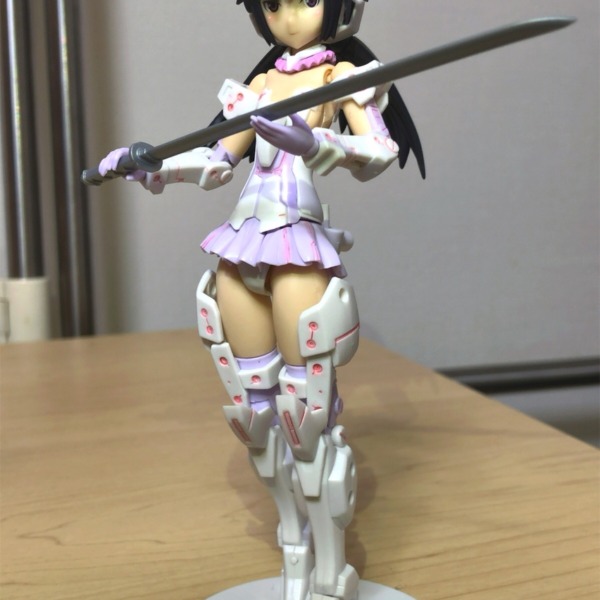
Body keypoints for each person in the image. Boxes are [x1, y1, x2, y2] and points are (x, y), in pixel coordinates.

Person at [99, 1, 424, 598]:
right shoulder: (260, 84)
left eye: (306, 0)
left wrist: (312, 142)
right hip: (241, 245)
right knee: (256, 418)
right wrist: (150, 165)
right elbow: (218, 160)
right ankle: (293, 552)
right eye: (273, 4)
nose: (289, 17)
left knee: (306, 422)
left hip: (297, 244)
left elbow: (377, 152)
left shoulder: (341, 76)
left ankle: (329, 569)